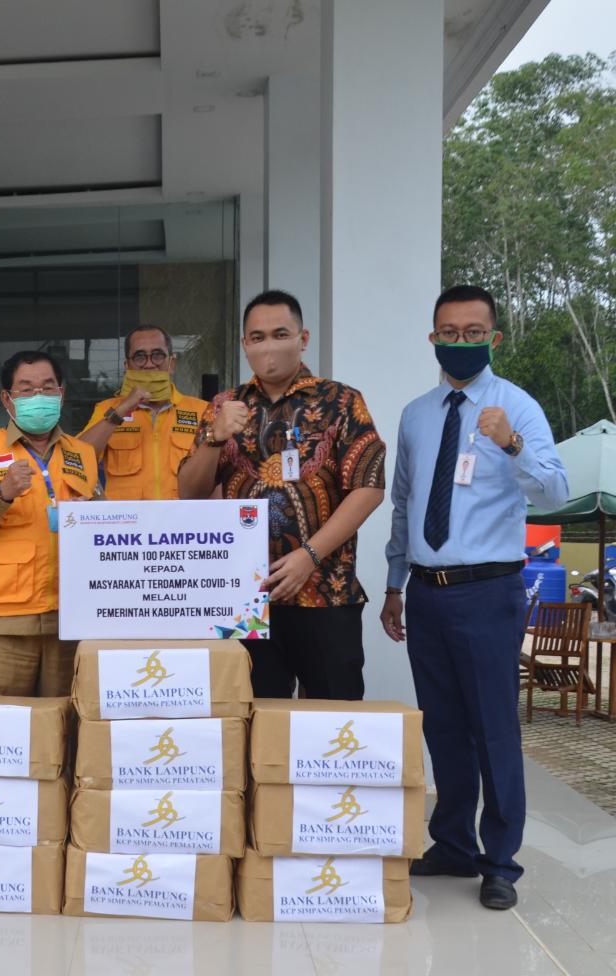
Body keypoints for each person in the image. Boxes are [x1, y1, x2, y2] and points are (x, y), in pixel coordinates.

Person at [382, 284, 568, 911]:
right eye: (449, 332)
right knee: (444, 725)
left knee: (493, 729)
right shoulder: (416, 414)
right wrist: (394, 583)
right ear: (432, 337)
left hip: (489, 591)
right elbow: (405, 503)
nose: (460, 342)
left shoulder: (517, 406)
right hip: (427, 592)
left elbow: (555, 493)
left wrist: (512, 445)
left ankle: (500, 861)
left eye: (473, 332)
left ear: (494, 338)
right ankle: (454, 843)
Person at [178, 289, 386, 699]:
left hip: (326, 592)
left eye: (280, 334)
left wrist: (309, 556)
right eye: (257, 337)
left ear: (302, 339)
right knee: (252, 715)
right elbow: (191, 494)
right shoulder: (224, 405)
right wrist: (215, 438)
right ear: (244, 344)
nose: (268, 346)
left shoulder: (341, 400)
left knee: (333, 717)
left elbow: (369, 487)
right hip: (244, 597)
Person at [0, 350, 101, 697]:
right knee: (5, 724)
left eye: (47, 387)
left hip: (70, 616)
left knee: (63, 722)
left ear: (61, 394)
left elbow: (107, 533)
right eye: (26, 389)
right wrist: (1, 494)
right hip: (2, 619)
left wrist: (91, 517)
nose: (38, 396)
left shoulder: (83, 454)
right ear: (7, 399)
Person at [79, 325, 209, 499]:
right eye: (140, 357)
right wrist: (121, 410)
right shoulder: (108, 409)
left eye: (157, 355)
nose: (149, 364)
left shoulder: (202, 411)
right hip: (127, 517)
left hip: (182, 516)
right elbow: (77, 460)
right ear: (127, 366)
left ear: (172, 363)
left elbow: (216, 475)